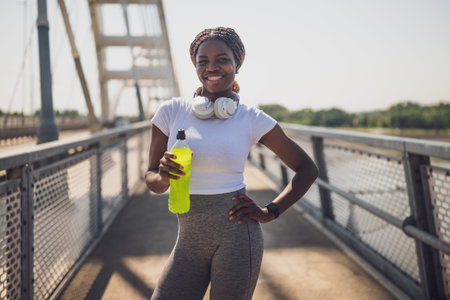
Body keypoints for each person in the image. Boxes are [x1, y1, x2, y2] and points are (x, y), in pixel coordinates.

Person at [145, 27, 318, 300]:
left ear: (237, 64)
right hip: (188, 243)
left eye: (222, 59)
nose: (211, 67)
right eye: (203, 61)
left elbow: (307, 169)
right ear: (195, 65)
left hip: (238, 241)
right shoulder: (170, 112)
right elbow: (152, 180)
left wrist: (270, 211)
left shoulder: (252, 119)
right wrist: (163, 177)